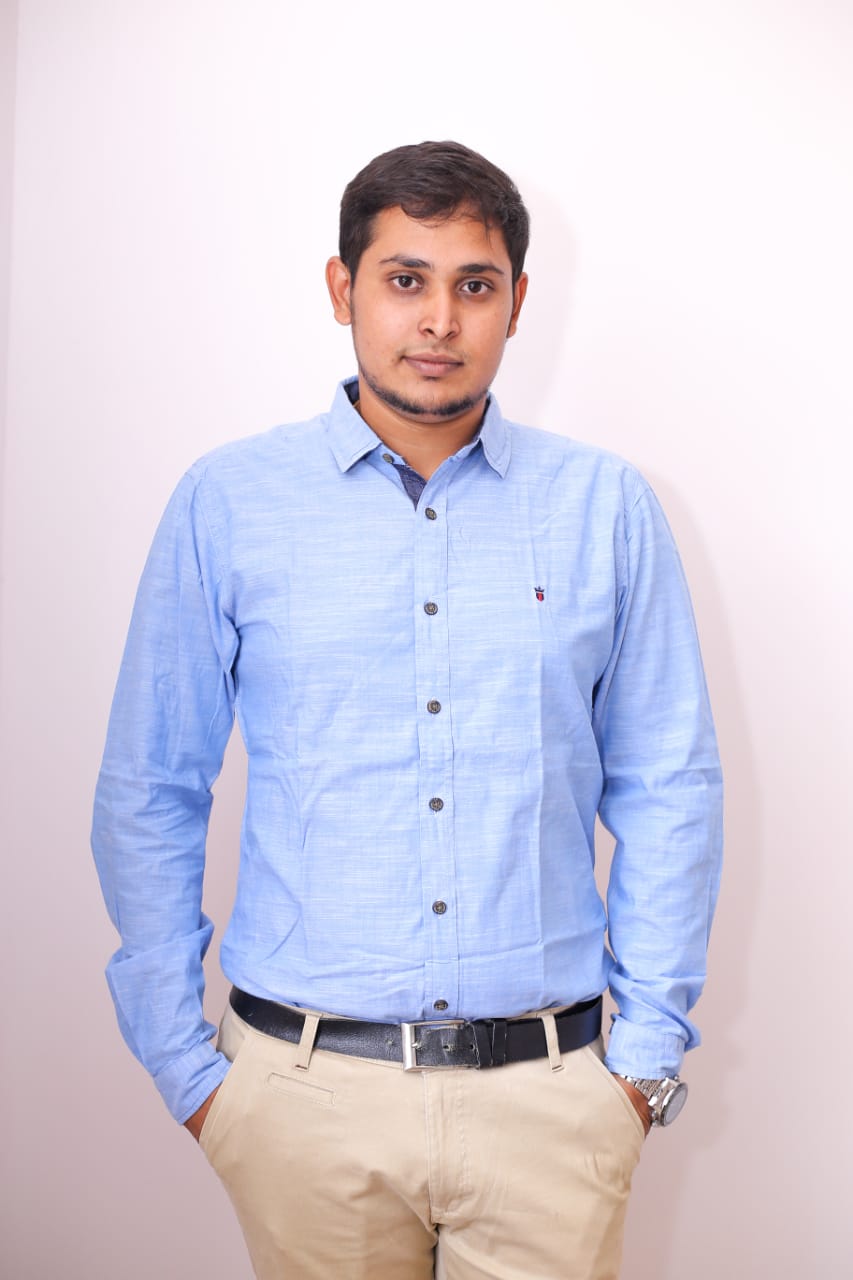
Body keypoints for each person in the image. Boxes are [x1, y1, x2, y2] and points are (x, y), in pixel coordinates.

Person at [92, 140, 723, 1280]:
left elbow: (669, 788)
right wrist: (187, 1068)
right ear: (343, 289)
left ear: (517, 304)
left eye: (473, 284)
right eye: (404, 279)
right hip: (303, 1103)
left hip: (552, 1102)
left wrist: (640, 1066)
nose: (438, 319)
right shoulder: (229, 502)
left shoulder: (604, 506)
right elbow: (150, 786)